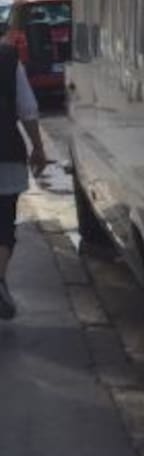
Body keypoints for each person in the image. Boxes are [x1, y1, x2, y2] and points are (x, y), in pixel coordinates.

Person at [0, 40, 48, 320]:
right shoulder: (8, 59)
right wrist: (38, 148)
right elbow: (27, 108)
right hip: (6, 152)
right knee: (4, 223)